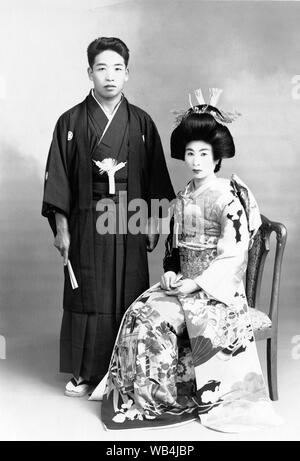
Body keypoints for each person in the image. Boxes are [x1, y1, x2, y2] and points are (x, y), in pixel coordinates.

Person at [95, 89, 283, 432]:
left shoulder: (227, 196)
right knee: (140, 312)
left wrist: (198, 282)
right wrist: (169, 272)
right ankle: (146, 396)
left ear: (216, 159)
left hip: (215, 292)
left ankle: (164, 398)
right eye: (190, 153)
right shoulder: (183, 196)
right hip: (184, 282)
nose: (195, 160)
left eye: (203, 154)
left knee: (155, 324)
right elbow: (173, 246)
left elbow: (234, 252)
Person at [41, 37, 175, 397]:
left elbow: (157, 178)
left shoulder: (141, 123)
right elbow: (58, 180)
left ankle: (128, 370)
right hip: (86, 220)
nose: (110, 76)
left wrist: (155, 223)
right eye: (102, 68)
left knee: (129, 292)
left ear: (128, 74)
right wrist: (61, 229)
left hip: (130, 220)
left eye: (117, 68)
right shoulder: (70, 121)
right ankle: (86, 372)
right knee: (88, 294)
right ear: (90, 73)